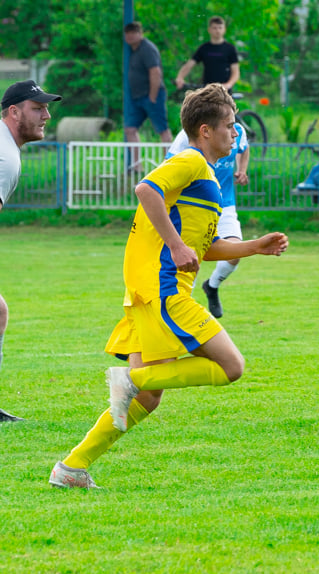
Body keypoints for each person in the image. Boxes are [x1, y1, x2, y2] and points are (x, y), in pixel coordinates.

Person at [49, 84, 288, 489]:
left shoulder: (206, 176)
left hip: (145, 291)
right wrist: (175, 246)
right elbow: (146, 189)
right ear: (205, 130)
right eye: (230, 126)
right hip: (164, 290)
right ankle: (129, 381)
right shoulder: (191, 160)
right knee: (231, 367)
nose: (236, 133)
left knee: (147, 398)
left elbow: (204, 247)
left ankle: (71, 468)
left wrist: (253, 248)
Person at [0, 80, 62, 422]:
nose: (46, 116)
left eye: (46, 108)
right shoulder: (5, 157)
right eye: (38, 108)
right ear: (14, 111)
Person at [166, 120, 250, 318]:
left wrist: (242, 169)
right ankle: (182, 311)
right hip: (195, 207)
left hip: (225, 204)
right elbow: (169, 165)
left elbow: (244, 149)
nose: (233, 132)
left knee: (234, 253)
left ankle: (211, 286)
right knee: (191, 259)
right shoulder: (188, 138)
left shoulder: (238, 131)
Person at [123, 21, 173, 164]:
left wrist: (152, 96)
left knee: (162, 129)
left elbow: (155, 72)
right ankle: (136, 165)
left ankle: (168, 164)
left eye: (133, 32)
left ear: (140, 33)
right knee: (130, 129)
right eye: (128, 33)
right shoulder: (131, 50)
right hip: (137, 98)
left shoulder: (147, 48)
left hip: (152, 96)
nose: (130, 36)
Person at [174, 16, 240, 92]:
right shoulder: (204, 48)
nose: (217, 30)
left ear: (224, 30)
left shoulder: (230, 49)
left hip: (225, 92)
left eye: (220, 28)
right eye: (214, 28)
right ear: (209, 30)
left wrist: (228, 85)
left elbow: (236, 72)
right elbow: (189, 65)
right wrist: (180, 77)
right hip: (207, 91)